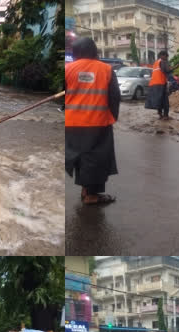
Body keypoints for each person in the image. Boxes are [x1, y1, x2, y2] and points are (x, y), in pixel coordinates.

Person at [65, 37, 120, 206]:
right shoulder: (106, 70)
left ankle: (85, 190)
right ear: (94, 51)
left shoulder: (67, 69)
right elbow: (114, 97)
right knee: (96, 159)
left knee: (81, 157)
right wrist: (112, 117)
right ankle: (91, 195)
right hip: (98, 123)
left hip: (72, 123)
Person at [145, 50, 179, 120]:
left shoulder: (155, 63)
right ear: (162, 56)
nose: (167, 59)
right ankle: (166, 116)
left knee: (159, 100)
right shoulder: (163, 61)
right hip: (160, 84)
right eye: (166, 57)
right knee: (165, 100)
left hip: (153, 84)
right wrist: (176, 67)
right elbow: (167, 70)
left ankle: (160, 115)